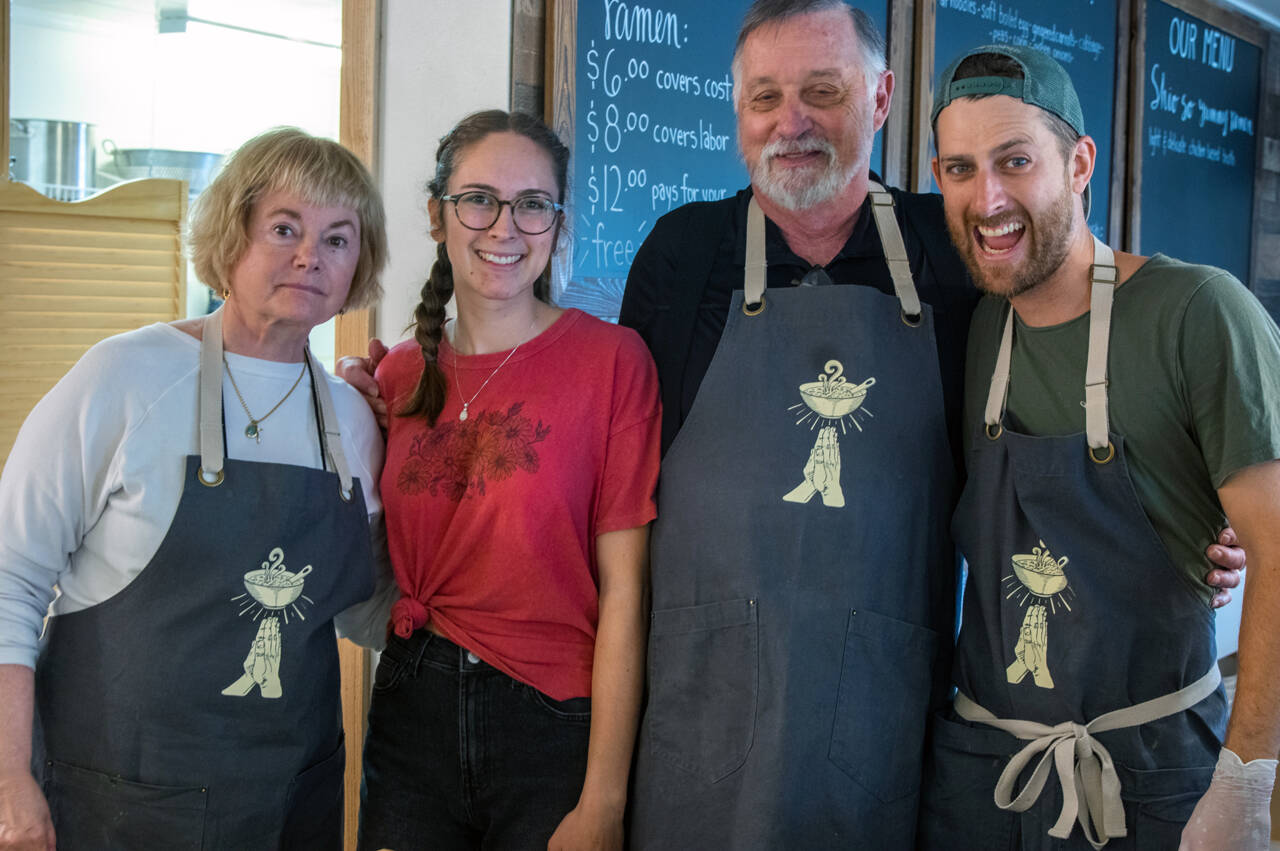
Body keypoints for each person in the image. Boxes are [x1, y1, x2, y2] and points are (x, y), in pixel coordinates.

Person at [614, 0, 1247, 847]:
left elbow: (1047, 452)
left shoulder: (952, 257)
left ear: (880, 101)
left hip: (883, 730)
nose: (791, 121)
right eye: (765, 97)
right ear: (737, 113)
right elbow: (614, 485)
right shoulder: (678, 257)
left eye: (822, 91)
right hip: (705, 716)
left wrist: (1200, 524)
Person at [920, 44, 1280, 850]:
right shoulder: (979, 325)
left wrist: (1247, 782)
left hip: (1149, 781)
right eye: (960, 167)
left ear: (1081, 162)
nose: (989, 198)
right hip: (982, 775)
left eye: (1016, 160)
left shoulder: (1197, 312)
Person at [0, 127, 396, 850]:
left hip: (291, 802)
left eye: (339, 238)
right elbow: (9, 581)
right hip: (122, 801)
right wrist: (7, 783)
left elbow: (364, 615)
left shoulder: (351, 419)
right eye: (285, 227)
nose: (311, 255)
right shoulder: (122, 378)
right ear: (231, 235)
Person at [355, 110, 660, 851]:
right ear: (438, 215)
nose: (505, 227)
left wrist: (604, 803)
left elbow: (625, 593)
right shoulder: (396, 375)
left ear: (558, 223)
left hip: (551, 725)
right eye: (479, 199)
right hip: (409, 711)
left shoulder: (613, 362)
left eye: (532, 205)